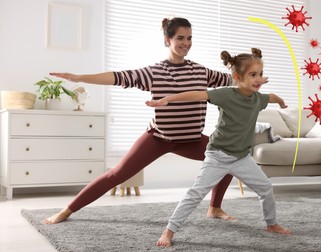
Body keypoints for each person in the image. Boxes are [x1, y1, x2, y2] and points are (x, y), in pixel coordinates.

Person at [43, 17, 236, 225]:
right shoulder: (154, 72)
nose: (186, 43)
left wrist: (255, 77)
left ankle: (215, 208)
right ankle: (67, 210)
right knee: (116, 174)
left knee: (230, 158)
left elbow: (235, 79)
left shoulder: (201, 72)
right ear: (167, 39)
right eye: (180, 38)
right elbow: (119, 77)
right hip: (158, 138)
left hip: (191, 139)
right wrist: (81, 77)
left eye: (189, 38)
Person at [146, 48, 291, 247]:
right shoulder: (226, 95)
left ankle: (271, 224)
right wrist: (168, 99)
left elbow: (272, 96)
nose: (258, 79)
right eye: (253, 75)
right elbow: (196, 94)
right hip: (218, 156)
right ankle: (169, 231)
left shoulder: (259, 99)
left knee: (265, 187)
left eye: (260, 74)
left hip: (241, 158)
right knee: (196, 193)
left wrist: (282, 103)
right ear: (237, 77)